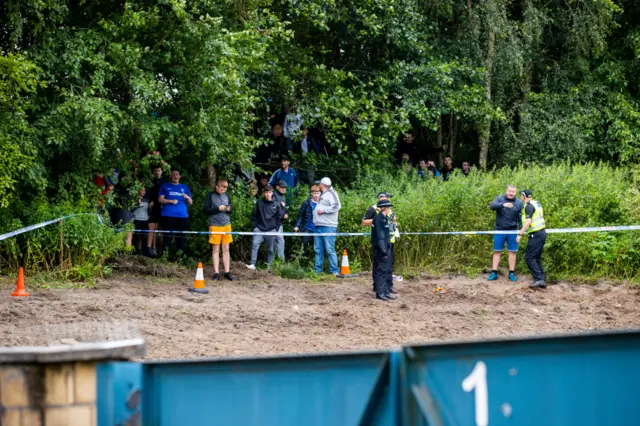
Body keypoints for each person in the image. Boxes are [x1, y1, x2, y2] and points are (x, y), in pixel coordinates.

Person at [362, 192, 401, 293]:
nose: (388, 200)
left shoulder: (389, 210)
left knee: (389, 264)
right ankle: (377, 286)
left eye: (389, 198)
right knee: (378, 265)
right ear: (380, 199)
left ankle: (389, 285)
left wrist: (395, 230)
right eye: (386, 198)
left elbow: (393, 223)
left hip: (390, 241)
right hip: (380, 241)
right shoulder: (373, 209)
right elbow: (364, 222)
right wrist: (377, 219)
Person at [489, 184, 524, 282]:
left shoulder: (519, 203)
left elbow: (520, 218)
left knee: (512, 252)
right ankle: (494, 272)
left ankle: (511, 273)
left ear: (515, 193)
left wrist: (520, 231)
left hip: (513, 231)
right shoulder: (500, 199)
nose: (511, 193)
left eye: (513, 192)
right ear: (506, 191)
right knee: (497, 251)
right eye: (509, 191)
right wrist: (502, 205)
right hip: (499, 230)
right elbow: (492, 206)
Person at [246, 185, 285, 270]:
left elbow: (279, 218)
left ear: (272, 193)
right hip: (259, 229)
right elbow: (254, 216)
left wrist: (276, 229)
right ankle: (253, 264)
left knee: (270, 249)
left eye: (269, 192)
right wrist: (255, 227)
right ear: (264, 193)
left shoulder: (277, 204)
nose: (268, 194)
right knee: (255, 245)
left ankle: (269, 267)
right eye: (266, 192)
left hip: (272, 230)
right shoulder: (259, 203)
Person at [204, 179, 235, 281]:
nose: (223, 190)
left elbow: (231, 210)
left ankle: (227, 272)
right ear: (217, 186)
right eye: (222, 188)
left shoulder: (227, 196)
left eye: (225, 189)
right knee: (216, 249)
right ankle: (216, 273)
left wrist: (229, 209)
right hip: (215, 225)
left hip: (227, 225)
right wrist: (218, 209)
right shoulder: (210, 195)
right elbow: (206, 210)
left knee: (226, 249)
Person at [517, 189, 547, 289]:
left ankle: (539, 279)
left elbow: (528, 221)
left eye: (521, 196)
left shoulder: (528, 206)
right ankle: (542, 279)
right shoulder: (536, 203)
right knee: (536, 258)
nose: (520, 198)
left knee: (529, 257)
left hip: (536, 234)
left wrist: (520, 234)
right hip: (541, 233)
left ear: (524, 196)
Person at [158, 169, 192, 256]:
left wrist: (187, 197)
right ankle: (164, 256)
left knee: (181, 237)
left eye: (177, 174)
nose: (175, 176)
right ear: (170, 176)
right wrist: (170, 201)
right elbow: (160, 199)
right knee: (167, 236)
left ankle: (180, 257)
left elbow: (190, 202)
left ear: (179, 176)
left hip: (182, 216)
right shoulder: (165, 186)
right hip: (168, 215)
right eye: (173, 175)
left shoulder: (184, 187)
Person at [313, 177, 341, 275]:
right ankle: (317, 271)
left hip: (328, 226)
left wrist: (324, 210)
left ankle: (334, 271)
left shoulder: (332, 193)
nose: (318, 186)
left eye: (319, 184)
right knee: (318, 250)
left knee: (330, 249)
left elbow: (337, 206)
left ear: (323, 185)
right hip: (318, 226)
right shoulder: (323, 195)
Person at [371, 199, 396, 301]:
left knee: (386, 270)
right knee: (381, 271)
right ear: (385, 208)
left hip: (386, 247)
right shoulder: (379, 219)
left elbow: (387, 233)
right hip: (382, 249)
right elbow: (380, 236)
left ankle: (385, 291)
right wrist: (383, 250)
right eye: (389, 207)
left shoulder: (385, 218)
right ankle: (380, 293)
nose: (390, 209)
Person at [294, 185, 321, 257]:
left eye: (318, 193)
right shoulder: (306, 203)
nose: (316, 195)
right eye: (314, 193)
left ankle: (312, 264)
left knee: (317, 248)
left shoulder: (322, 203)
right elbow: (300, 216)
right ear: (311, 193)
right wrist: (297, 226)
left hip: (318, 228)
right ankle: (300, 264)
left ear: (320, 193)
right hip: (307, 228)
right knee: (304, 246)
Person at [147, 165, 167, 257]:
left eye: (159, 170)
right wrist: (149, 201)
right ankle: (151, 248)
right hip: (153, 206)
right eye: (155, 170)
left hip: (164, 206)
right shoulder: (150, 181)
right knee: (153, 227)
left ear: (161, 171)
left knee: (163, 228)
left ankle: (163, 250)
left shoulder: (165, 181)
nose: (157, 172)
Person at [272, 180, 289, 260]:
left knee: (278, 242)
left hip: (280, 222)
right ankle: (280, 262)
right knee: (279, 241)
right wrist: (280, 204)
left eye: (285, 188)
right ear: (277, 187)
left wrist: (285, 213)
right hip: (273, 223)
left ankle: (278, 262)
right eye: (282, 187)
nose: (284, 189)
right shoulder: (273, 195)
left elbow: (283, 209)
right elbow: (271, 207)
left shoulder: (283, 197)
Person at [131, 186, 150, 255]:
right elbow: (131, 209)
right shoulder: (133, 199)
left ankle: (145, 252)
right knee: (135, 237)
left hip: (144, 220)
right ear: (138, 191)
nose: (144, 192)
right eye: (142, 190)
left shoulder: (146, 200)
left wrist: (148, 214)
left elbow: (148, 210)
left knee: (145, 236)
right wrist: (137, 203)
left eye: (145, 190)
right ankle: (134, 251)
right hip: (136, 219)